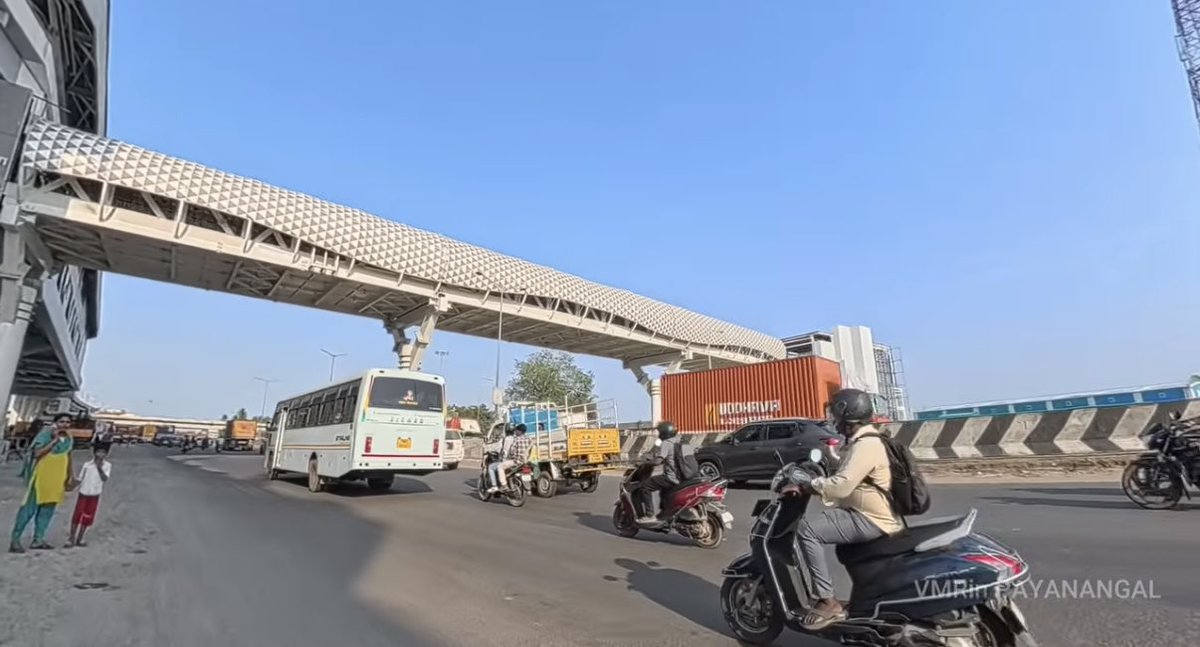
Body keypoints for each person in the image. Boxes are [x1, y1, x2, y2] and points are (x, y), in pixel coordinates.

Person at [795, 388, 903, 629]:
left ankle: (827, 601)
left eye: (836, 413)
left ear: (848, 414)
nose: (834, 419)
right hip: (878, 514)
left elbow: (842, 486)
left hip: (870, 518)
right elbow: (849, 475)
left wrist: (810, 485)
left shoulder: (866, 445)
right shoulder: (866, 440)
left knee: (807, 530)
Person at [9, 413, 76, 552]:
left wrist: (70, 476)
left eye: (68, 422)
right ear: (56, 422)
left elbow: (68, 457)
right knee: (28, 509)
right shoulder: (45, 434)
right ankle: (15, 540)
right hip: (40, 478)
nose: (65, 424)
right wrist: (54, 441)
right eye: (62, 421)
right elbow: (37, 453)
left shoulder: (69, 438)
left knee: (47, 510)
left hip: (56, 479)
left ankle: (38, 540)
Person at [634, 421, 691, 523]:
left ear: (664, 433)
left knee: (645, 487)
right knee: (663, 491)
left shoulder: (666, 443)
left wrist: (645, 463)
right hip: (682, 477)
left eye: (660, 432)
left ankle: (649, 515)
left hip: (671, 478)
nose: (659, 434)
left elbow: (658, 461)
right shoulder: (679, 441)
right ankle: (666, 513)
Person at [67, 442, 112, 548]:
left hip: (95, 494)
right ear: (94, 453)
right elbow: (80, 478)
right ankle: (71, 537)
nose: (100, 454)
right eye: (98, 452)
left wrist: (99, 467)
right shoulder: (87, 465)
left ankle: (80, 537)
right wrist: (72, 485)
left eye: (103, 452)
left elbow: (104, 478)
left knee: (88, 516)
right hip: (84, 493)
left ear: (106, 454)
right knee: (77, 515)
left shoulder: (107, 465)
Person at [488, 424, 532, 493]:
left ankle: (503, 485)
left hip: (516, 461)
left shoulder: (515, 439)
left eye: (517, 430)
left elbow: (510, 451)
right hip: (526, 461)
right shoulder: (529, 438)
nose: (516, 432)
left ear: (519, 431)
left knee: (499, 467)